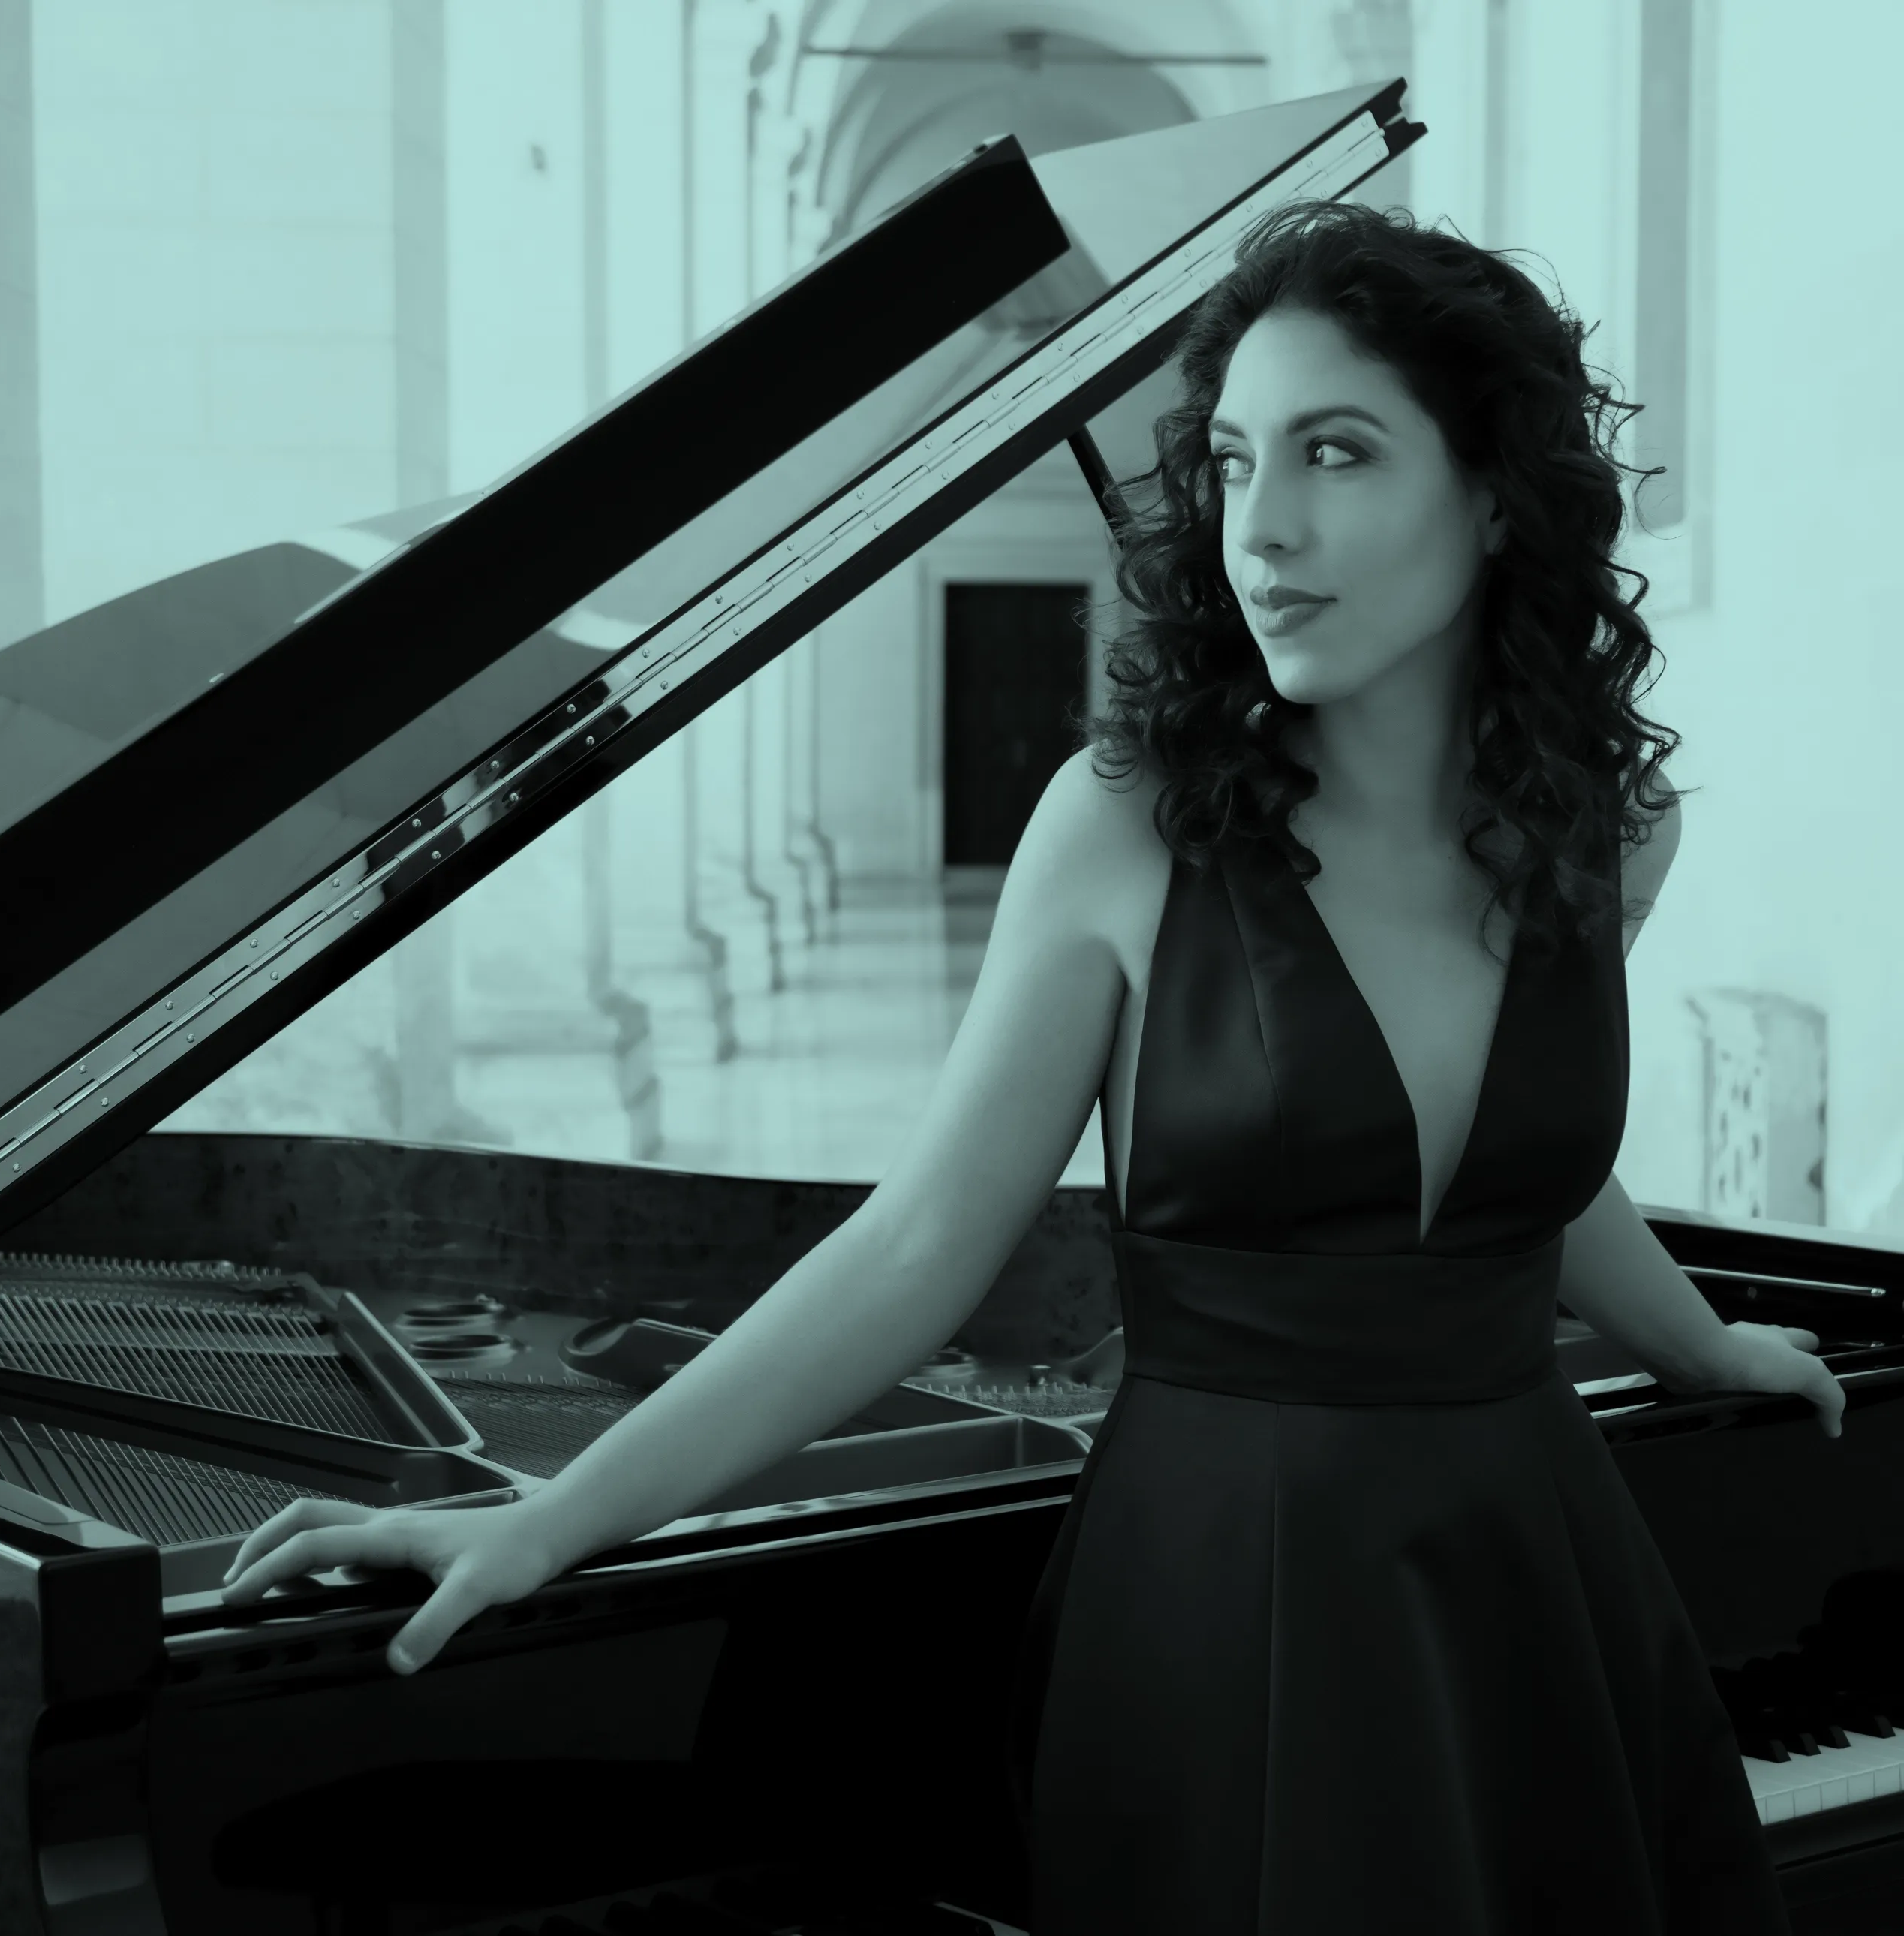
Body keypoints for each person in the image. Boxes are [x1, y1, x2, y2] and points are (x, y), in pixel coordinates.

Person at [221, 200, 1845, 1931]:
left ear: (1496, 493)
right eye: (1231, 462)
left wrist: (1701, 1339)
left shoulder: (1608, 830)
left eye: (1338, 453)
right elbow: (920, 1246)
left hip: (1531, 1566)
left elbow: (1522, 1169)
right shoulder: (1128, 823)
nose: (1264, 530)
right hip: (1226, 1594)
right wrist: (547, 1520)